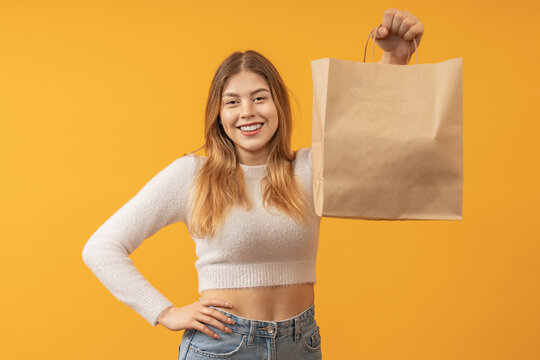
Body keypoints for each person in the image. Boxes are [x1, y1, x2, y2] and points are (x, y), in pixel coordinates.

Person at [82, 8, 424, 359]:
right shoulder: (192, 176)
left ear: (278, 104)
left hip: (300, 344)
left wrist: (394, 59)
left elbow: (370, 138)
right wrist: (165, 312)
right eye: (232, 102)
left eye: (259, 97)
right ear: (219, 114)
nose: (247, 111)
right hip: (223, 346)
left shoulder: (309, 168)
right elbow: (101, 247)